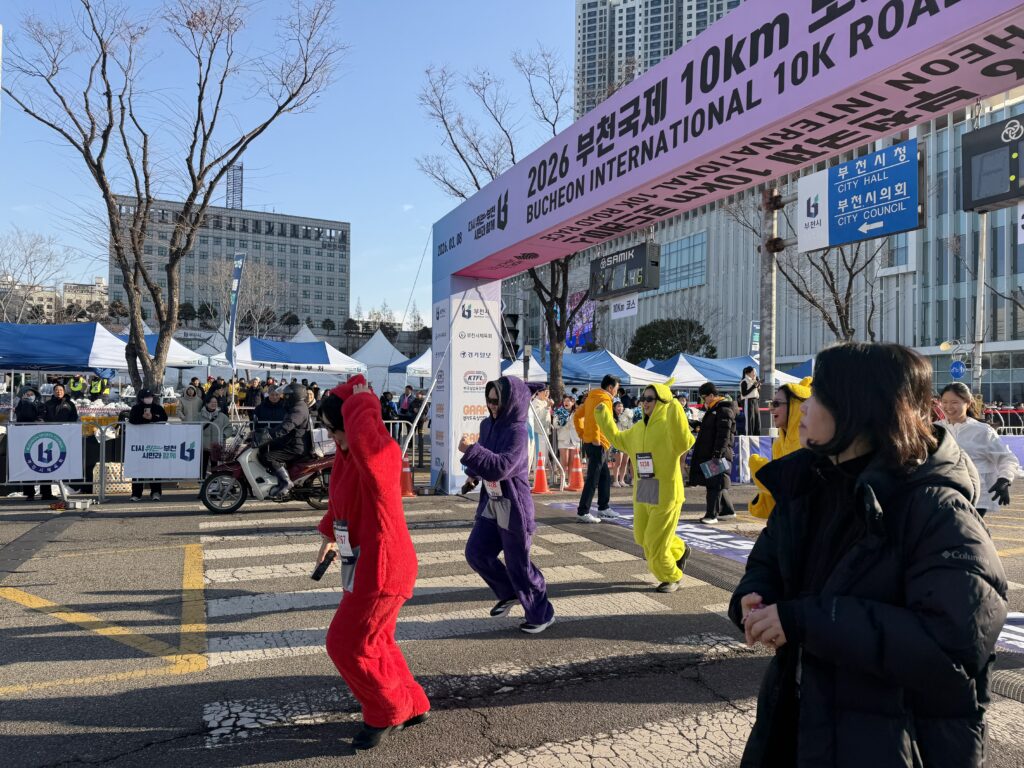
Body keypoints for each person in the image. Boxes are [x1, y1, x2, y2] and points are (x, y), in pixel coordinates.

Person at [729, 342, 1008, 767]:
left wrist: (806, 621)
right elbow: (769, 557)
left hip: (895, 737)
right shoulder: (809, 482)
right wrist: (753, 596)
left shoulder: (936, 508)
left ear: (859, 407)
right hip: (798, 718)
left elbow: (954, 641)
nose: (805, 407)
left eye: (818, 395)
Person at [314, 375, 430, 750]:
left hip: (383, 567)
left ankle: (386, 709)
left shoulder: (382, 452)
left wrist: (363, 405)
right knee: (376, 639)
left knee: (346, 644)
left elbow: (372, 458)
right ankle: (411, 702)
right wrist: (329, 537)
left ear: (354, 423)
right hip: (365, 563)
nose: (332, 437)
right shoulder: (349, 454)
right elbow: (341, 503)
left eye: (335, 429)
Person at [459, 375, 555, 634]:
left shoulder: (518, 431)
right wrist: (472, 474)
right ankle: (509, 592)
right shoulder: (487, 424)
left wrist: (470, 451)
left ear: (511, 402)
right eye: (489, 400)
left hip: (514, 505)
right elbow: (485, 453)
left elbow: (501, 466)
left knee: (518, 564)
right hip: (492, 501)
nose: (491, 406)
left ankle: (542, 614)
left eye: (496, 401)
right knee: (476, 552)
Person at [596, 381, 695, 591]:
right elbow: (618, 440)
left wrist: (675, 407)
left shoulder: (668, 425)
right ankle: (679, 549)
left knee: (654, 541)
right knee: (642, 536)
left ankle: (671, 576)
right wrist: (603, 417)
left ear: (662, 400)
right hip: (644, 489)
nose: (645, 403)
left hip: (667, 491)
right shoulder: (638, 428)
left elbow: (685, 441)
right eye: (643, 399)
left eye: (650, 399)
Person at [938, 382, 1020, 517]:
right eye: (944, 402)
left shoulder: (982, 431)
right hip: (943, 495)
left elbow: (1007, 458)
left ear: (968, 403)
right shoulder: (934, 429)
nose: (948, 407)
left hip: (977, 498)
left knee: (965, 529)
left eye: (954, 402)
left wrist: (1004, 479)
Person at [747, 377, 812, 520]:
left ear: (795, 406)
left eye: (776, 404)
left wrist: (764, 474)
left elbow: (796, 490)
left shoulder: (810, 442)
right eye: (771, 403)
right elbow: (781, 496)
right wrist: (764, 501)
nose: (771, 409)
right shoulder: (778, 444)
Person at [573, 374, 621, 523]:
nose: (617, 392)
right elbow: (595, 420)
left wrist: (582, 433)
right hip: (597, 443)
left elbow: (577, 416)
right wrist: (595, 438)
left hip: (594, 442)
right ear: (610, 387)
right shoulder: (603, 399)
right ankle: (583, 511)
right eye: (617, 388)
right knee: (593, 478)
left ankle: (603, 507)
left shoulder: (591, 397)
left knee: (604, 476)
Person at [688, 382, 737, 524]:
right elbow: (713, 429)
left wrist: (718, 454)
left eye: (704, 398)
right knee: (718, 483)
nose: (703, 401)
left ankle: (711, 515)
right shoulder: (715, 408)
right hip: (714, 453)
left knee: (714, 485)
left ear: (711, 395)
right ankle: (727, 510)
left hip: (718, 454)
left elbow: (724, 435)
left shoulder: (723, 409)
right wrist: (698, 425)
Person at [257, 382, 310, 497]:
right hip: (290, 442)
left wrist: (270, 435)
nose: (284, 397)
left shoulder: (298, 409)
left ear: (294, 395)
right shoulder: (296, 406)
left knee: (267, 456)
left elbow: (286, 427)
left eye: (286, 395)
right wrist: (267, 431)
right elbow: (283, 425)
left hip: (295, 446)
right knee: (263, 449)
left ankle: (286, 482)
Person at [127, 388, 167, 501]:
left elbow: (164, 419)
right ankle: (136, 493)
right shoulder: (136, 408)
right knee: (138, 468)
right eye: (147, 397)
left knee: (154, 468)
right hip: (139, 443)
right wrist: (143, 418)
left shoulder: (158, 408)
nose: (149, 399)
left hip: (154, 442)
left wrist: (152, 417)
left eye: (151, 397)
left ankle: (156, 492)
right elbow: (132, 420)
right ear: (141, 398)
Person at [14, 387, 43, 500]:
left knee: (43, 464)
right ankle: (29, 493)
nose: (29, 395)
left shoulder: (40, 404)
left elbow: (42, 417)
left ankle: (46, 492)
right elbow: (20, 417)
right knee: (28, 464)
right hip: (25, 437)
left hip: (39, 437)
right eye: (27, 394)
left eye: (31, 394)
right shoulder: (21, 404)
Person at [199, 395, 232, 478]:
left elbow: (229, 428)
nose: (214, 404)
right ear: (206, 403)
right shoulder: (199, 416)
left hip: (217, 445)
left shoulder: (222, 416)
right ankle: (201, 481)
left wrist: (224, 435)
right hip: (203, 445)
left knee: (216, 466)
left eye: (215, 402)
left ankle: (215, 480)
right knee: (202, 465)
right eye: (212, 402)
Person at [553, 394, 579, 483]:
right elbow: (555, 425)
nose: (566, 402)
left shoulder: (577, 412)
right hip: (563, 439)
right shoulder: (559, 411)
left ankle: (570, 481)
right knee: (564, 461)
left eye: (568, 401)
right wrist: (562, 420)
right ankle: (563, 481)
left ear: (573, 402)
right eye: (564, 401)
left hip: (574, 439)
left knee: (572, 462)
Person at [611, 400, 633, 487]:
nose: (620, 408)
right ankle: (615, 481)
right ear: (614, 408)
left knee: (625, 462)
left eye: (621, 406)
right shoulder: (613, 418)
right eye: (618, 406)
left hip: (626, 442)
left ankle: (622, 480)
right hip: (617, 442)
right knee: (618, 462)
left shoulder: (626, 417)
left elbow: (630, 427)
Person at [739, 366, 761, 436]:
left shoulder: (754, 381)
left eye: (755, 372)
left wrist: (758, 385)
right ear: (748, 373)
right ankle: (748, 436)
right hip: (747, 401)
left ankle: (756, 436)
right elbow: (744, 393)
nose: (755, 374)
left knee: (757, 420)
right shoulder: (744, 381)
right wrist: (753, 387)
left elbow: (757, 392)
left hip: (755, 401)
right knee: (749, 420)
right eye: (753, 372)